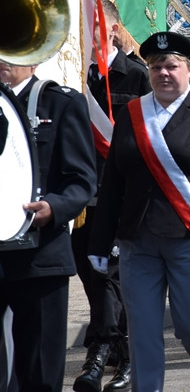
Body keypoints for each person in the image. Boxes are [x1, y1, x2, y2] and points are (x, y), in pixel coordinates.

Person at [88, 32, 190, 392]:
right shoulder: (133, 114)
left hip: (188, 238)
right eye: (155, 67)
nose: (163, 73)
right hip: (137, 240)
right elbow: (113, 184)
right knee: (142, 329)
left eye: (171, 66)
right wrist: (99, 240)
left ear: (189, 70)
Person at [0, 60, 96, 391]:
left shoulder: (61, 103)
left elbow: (82, 181)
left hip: (39, 258)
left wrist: (53, 207)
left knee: (39, 372)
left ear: (34, 54)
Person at [72, 0, 150, 392]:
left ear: (113, 30)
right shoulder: (71, 78)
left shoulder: (136, 76)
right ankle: (123, 350)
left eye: (93, 28)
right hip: (79, 198)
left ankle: (102, 353)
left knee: (112, 279)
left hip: (120, 196)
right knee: (91, 276)